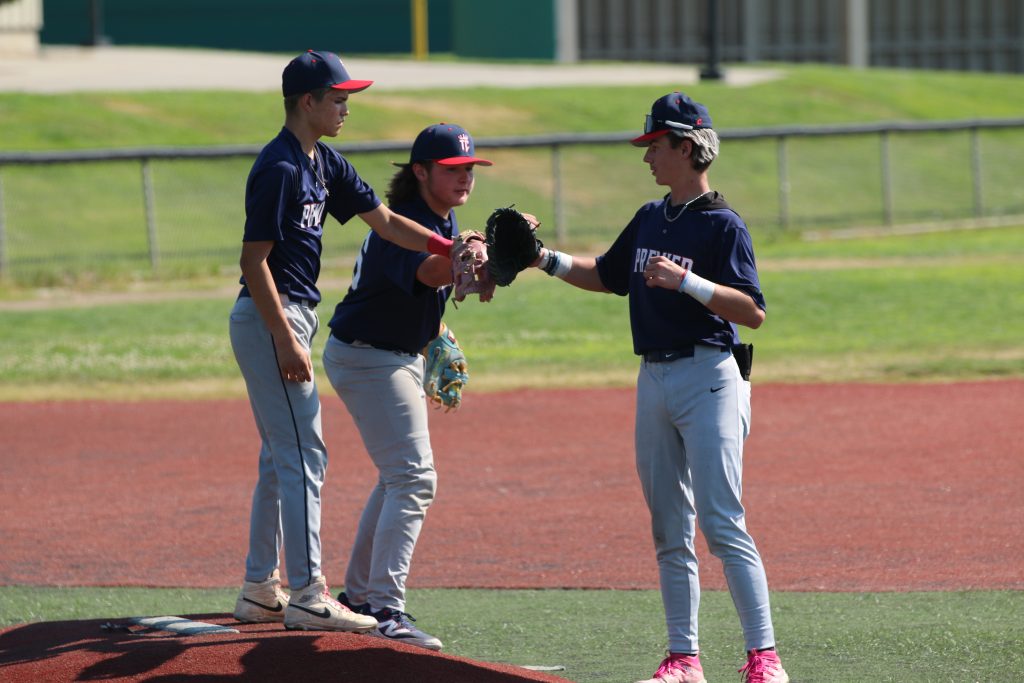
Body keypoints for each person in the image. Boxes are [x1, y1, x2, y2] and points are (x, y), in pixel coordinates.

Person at [530, 93, 789, 683]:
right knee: (669, 527)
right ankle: (683, 658)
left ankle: (764, 658)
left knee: (721, 521)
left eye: (656, 145)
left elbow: (752, 312)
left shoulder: (723, 224)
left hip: (710, 376)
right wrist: (544, 259)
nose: (647, 156)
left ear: (687, 147)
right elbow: (606, 274)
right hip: (653, 377)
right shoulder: (650, 217)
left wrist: (688, 282)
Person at [229, 50, 462, 632]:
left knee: (279, 455)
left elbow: (388, 222)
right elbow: (253, 263)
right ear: (307, 101)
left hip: (292, 316)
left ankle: (260, 587)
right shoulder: (280, 167)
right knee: (305, 454)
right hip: (271, 315)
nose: (346, 108)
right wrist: (285, 337)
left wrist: (449, 248)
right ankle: (309, 594)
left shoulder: (324, 161)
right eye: (338, 98)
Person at [319, 123, 494, 651]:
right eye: (452, 169)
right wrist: (472, 257)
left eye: (470, 168)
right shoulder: (404, 223)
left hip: (390, 354)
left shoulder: (441, 216)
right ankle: (385, 608)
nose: (464, 177)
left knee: (397, 477)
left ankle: (359, 597)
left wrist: (438, 327)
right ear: (420, 171)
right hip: (369, 357)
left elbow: (445, 279)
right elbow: (431, 273)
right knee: (415, 478)